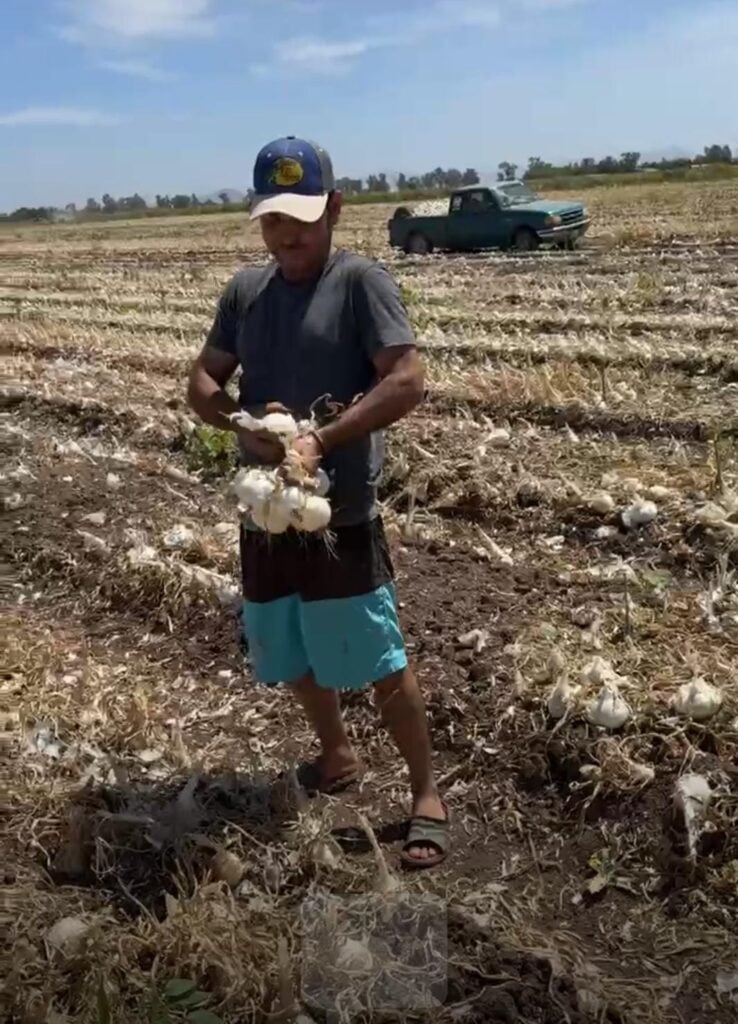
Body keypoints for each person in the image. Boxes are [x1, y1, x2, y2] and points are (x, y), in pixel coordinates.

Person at [187, 136, 448, 868]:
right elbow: (200, 385)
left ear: (334, 208)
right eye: (273, 219)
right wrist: (243, 423)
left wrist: (320, 441)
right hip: (266, 511)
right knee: (287, 644)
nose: (288, 234)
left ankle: (426, 793)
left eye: (302, 216)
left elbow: (406, 381)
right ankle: (336, 756)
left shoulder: (361, 282)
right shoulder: (246, 292)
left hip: (340, 513)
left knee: (378, 654)